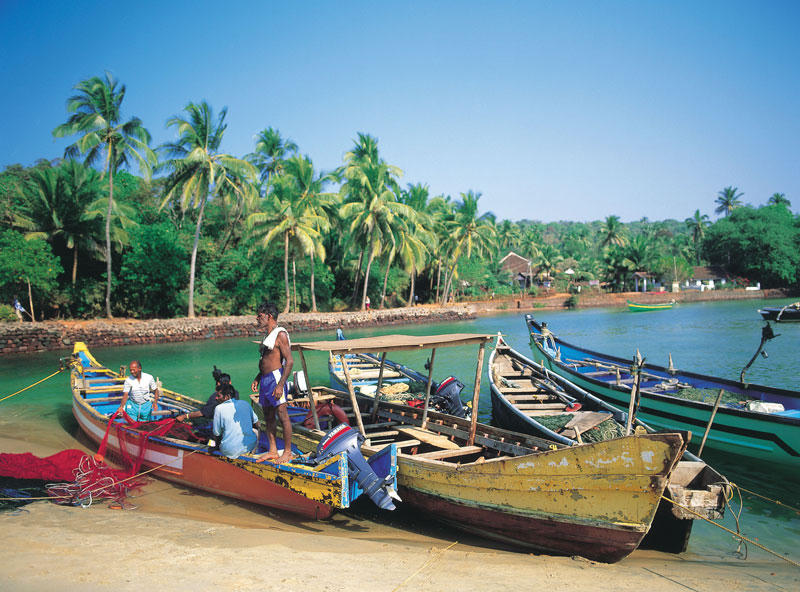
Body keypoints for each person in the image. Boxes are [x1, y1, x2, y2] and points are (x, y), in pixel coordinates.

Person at [250, 301, 294, 463]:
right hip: (265, 380)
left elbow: (289, 361)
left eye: (260, 316)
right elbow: (266, 360)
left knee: (282, 415)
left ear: (269, 317)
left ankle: (287, 452)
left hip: (276, 378)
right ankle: (273, 450)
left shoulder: (280, 334)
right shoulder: (267, 336)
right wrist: (258, 377)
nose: (257, 318)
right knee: (268, 416)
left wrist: (281, 384)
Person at [212, 383, 258, 458]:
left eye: (218, 396)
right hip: (249, 447)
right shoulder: (245, 403)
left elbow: (217, 433)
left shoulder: (218, 408)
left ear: (227, 397)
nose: (216, 398)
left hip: (229, 451)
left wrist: (216, 447)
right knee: (256, 431)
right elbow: (257, 423)